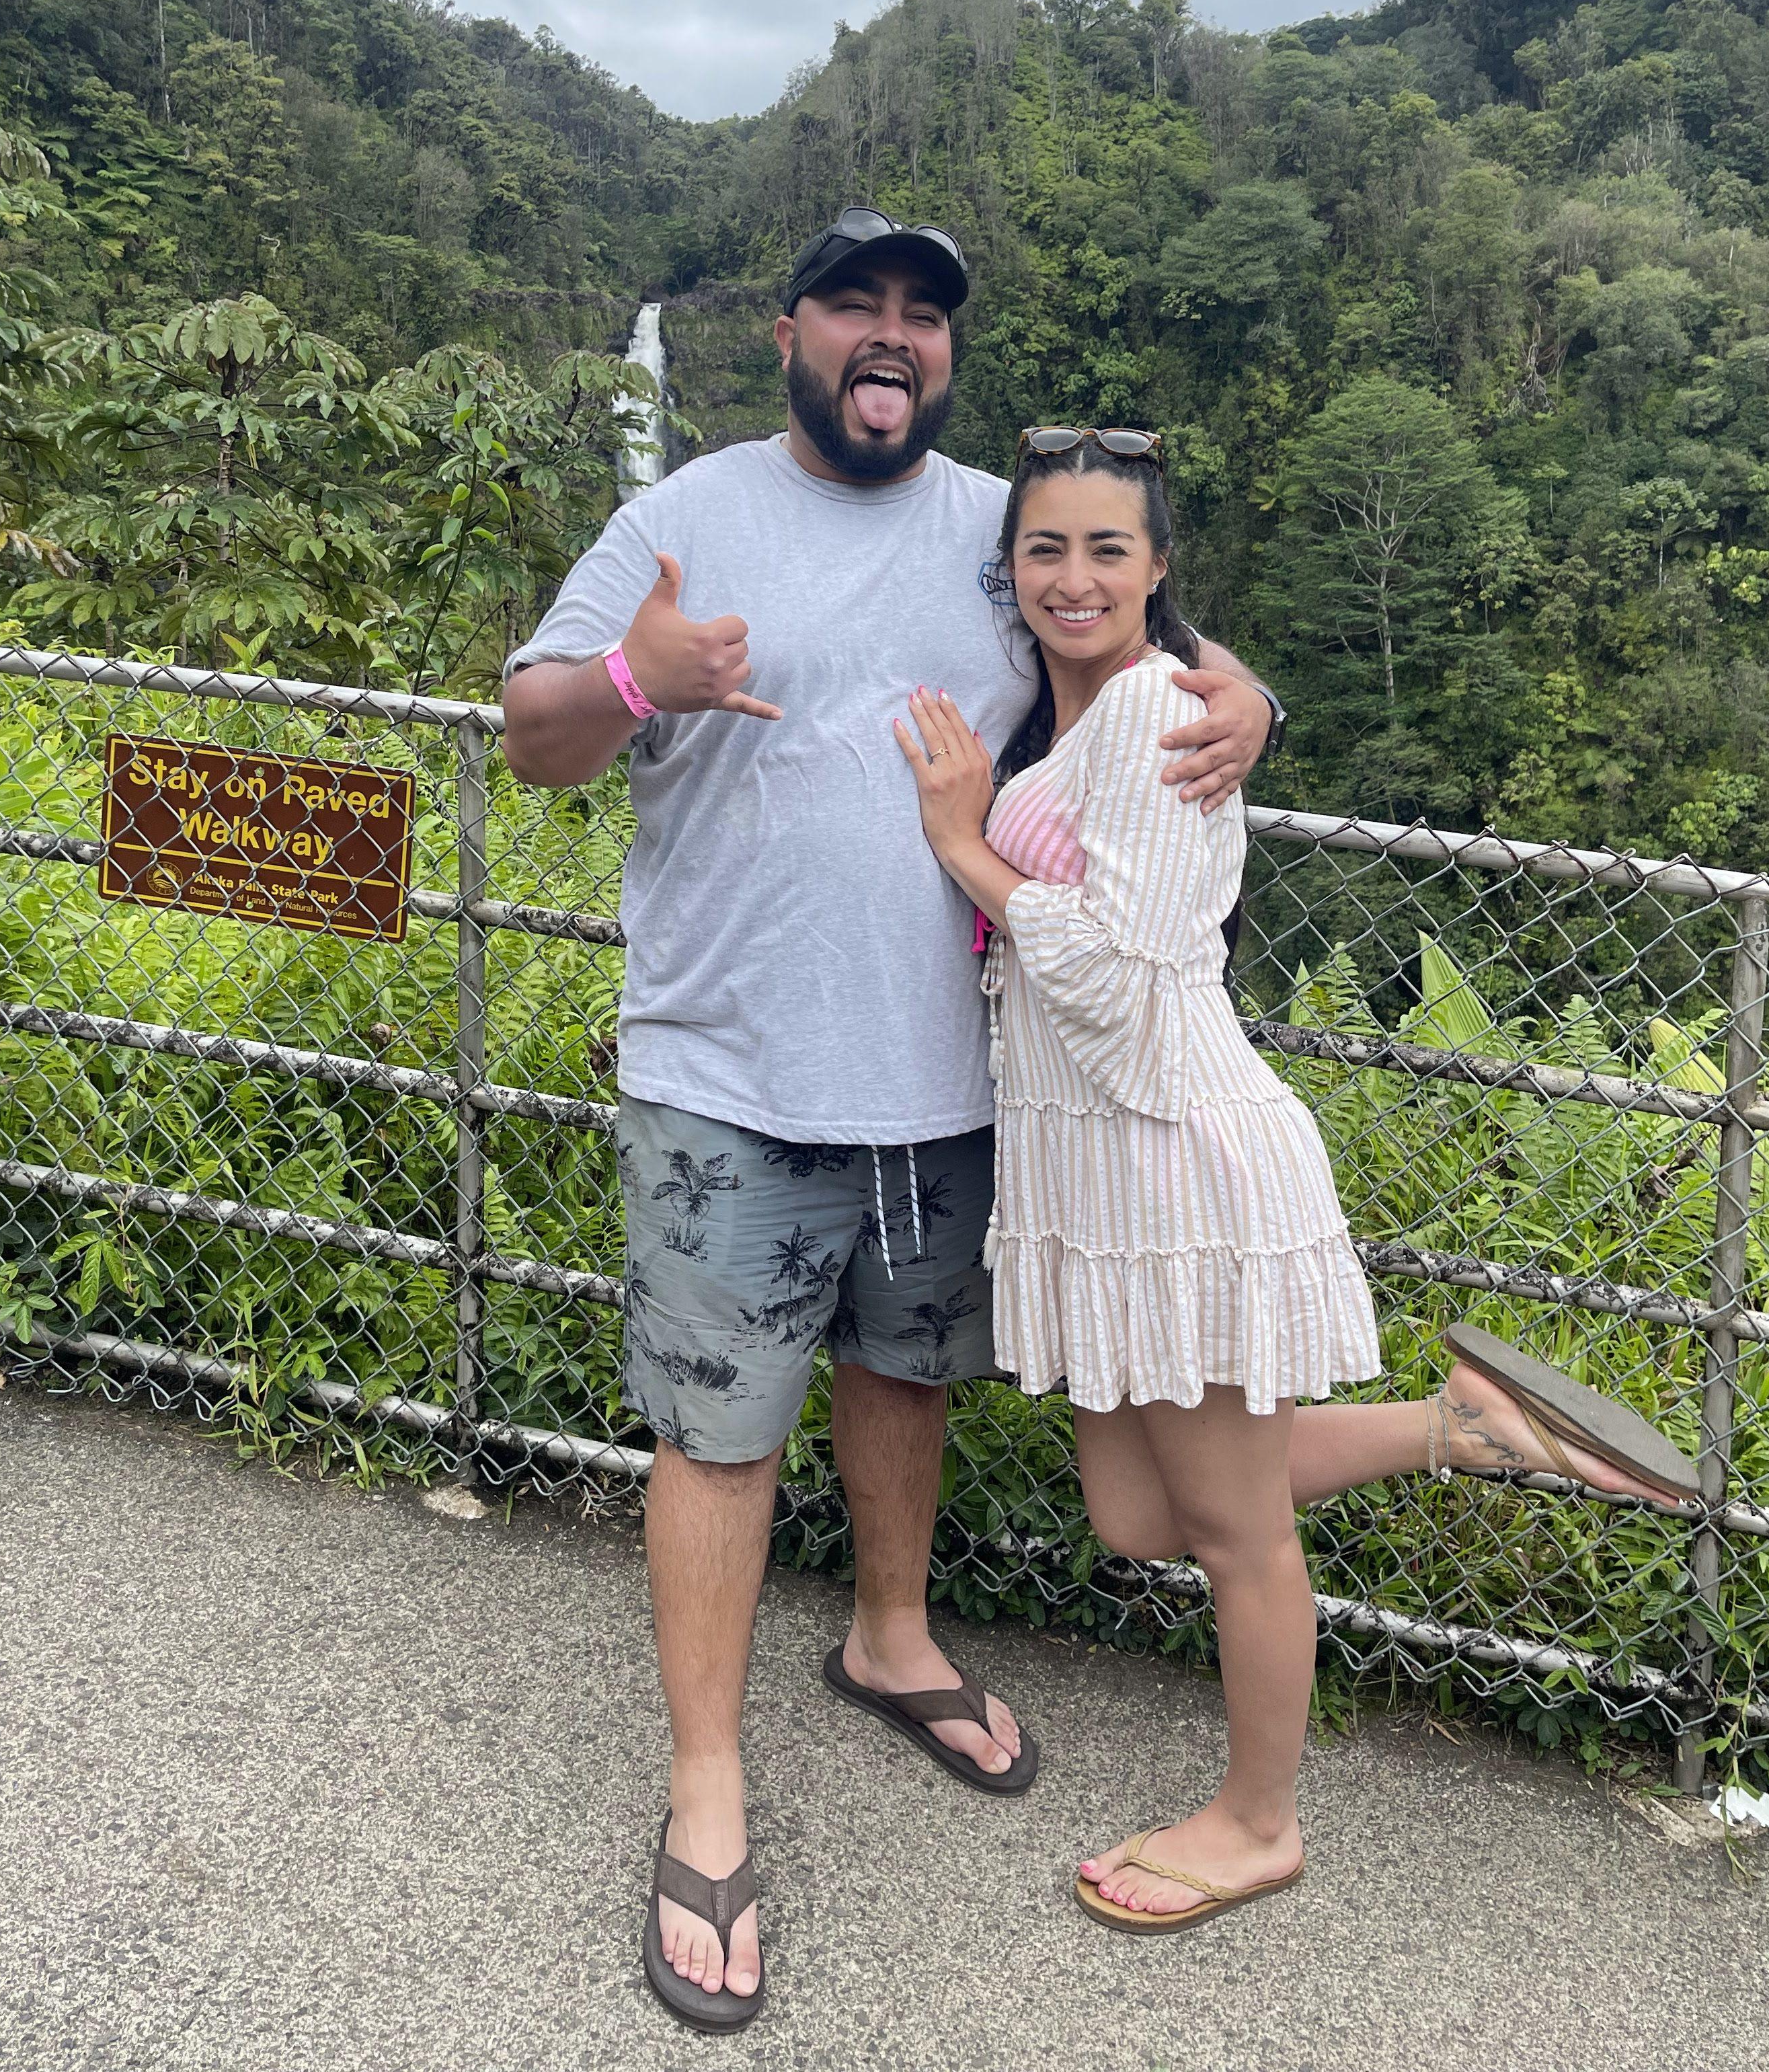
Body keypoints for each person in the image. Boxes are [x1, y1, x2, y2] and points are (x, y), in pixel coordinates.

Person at [498, 212, 1282, 2029]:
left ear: (945, 355)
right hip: (728, 1075)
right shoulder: (683, 518)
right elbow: (533, 732)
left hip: (949, 1078)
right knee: (718, 1438)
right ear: (792, 330)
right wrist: (641, 679)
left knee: (903, 1375)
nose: (891, 334)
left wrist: (1249, 695)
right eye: (856, 302)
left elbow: (1150, 632)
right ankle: (708, 1787)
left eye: (923, 313)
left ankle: (891, 1637)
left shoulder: (1003, 529)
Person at [892, 427, 1702, 1934]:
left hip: (1177, 1166)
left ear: (1158, 569)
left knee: (1240, 1537)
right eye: (1045, 548)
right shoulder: (1083, 713)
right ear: (1010, 567)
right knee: (1138, 1516)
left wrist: (960, 843)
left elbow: (1120, 985)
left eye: (1109, 549)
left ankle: (1259, 1822)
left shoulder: (1154, 717)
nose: (1073, 577)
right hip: (1101, 1173)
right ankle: (1460, 1427)